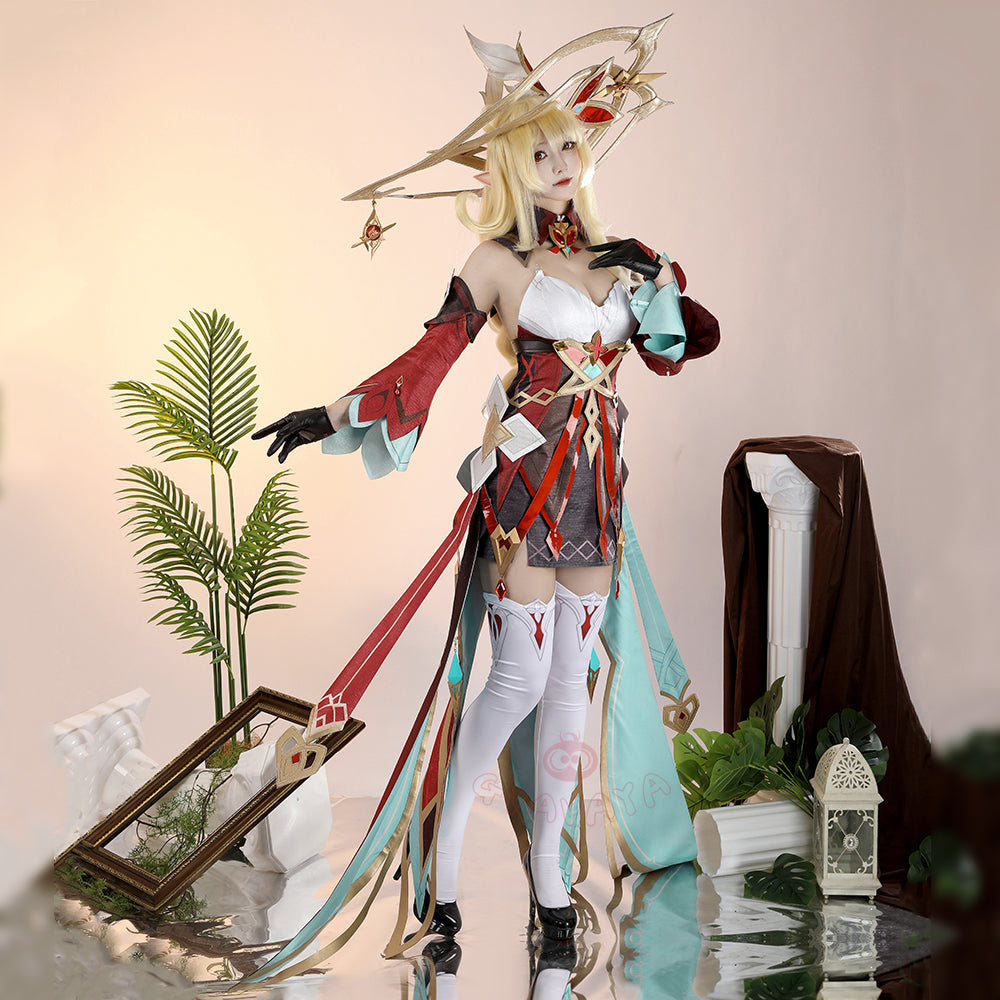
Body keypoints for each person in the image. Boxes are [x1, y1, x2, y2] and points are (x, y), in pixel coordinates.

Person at [246, 24, 718, 988]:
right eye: (536, 152)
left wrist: (659, 280)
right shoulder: (496, 262)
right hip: (528, 484)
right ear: (509, 165)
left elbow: (677, 349)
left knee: (571, 683)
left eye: (568, 144)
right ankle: (449, 869)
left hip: (597, 488)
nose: (558, 163)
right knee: (517, 678)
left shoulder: (624, 256)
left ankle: (550, 886)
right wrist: (332, 412)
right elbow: (430, 357)